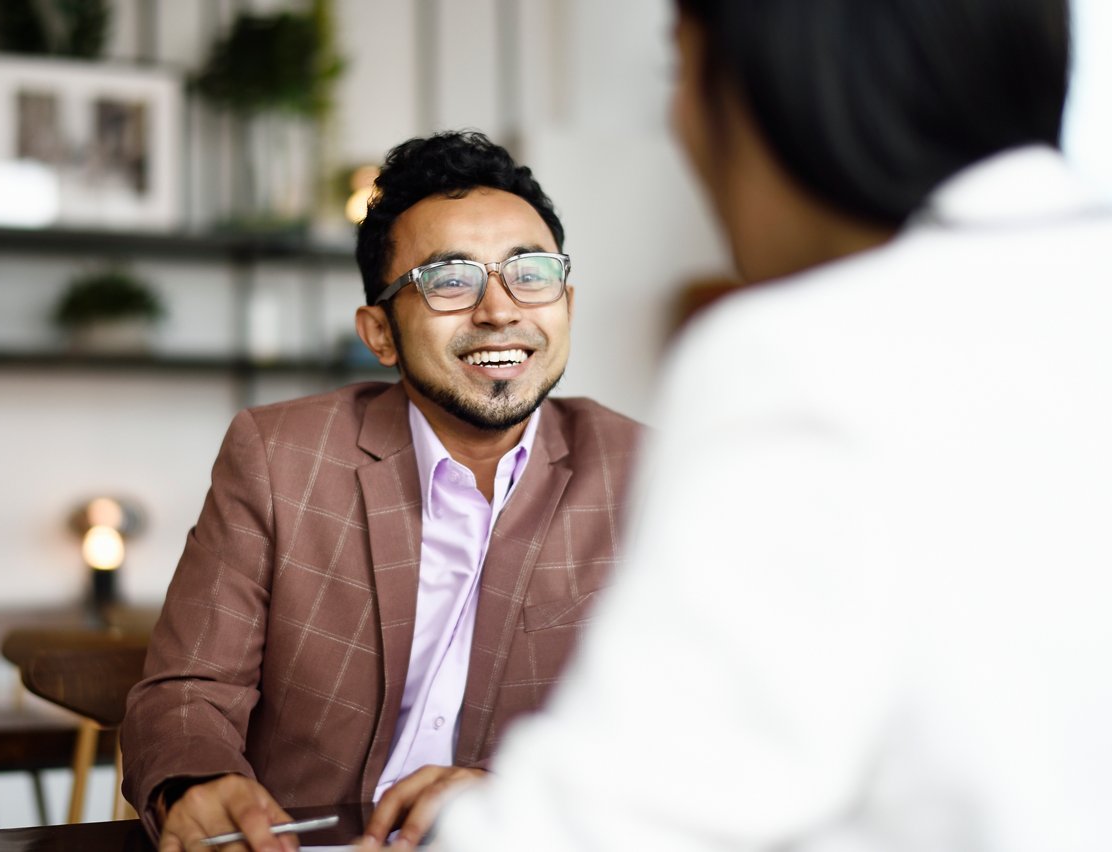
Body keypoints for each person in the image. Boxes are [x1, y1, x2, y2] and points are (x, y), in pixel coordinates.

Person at [432, 0, 1112, 850]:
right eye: (451, 280)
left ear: (769, 79)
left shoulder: (802, 357)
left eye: (679, 74)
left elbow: (626, 821)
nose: (681, 127)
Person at [120, 130, 641, 852]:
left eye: (530, 272)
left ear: (567, 305)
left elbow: (696, 718)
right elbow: (186, 690)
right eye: (450, 280)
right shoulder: (279, 457)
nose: (499, 309)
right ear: (380, 333)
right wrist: (196, 785)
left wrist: (520, 786)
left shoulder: (642, 471)